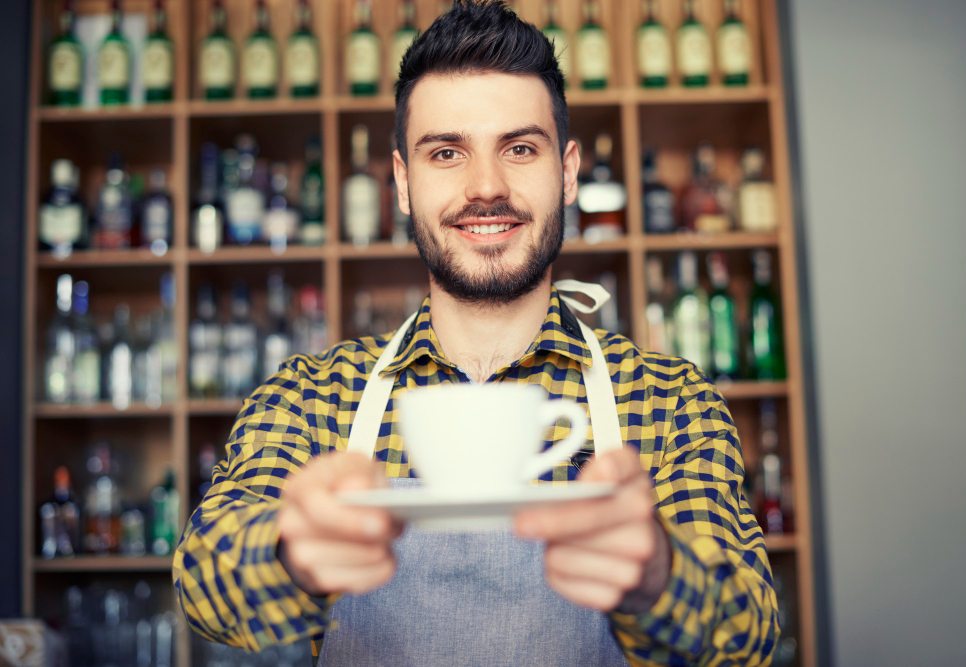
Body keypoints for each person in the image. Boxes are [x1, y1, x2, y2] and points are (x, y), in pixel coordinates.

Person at [173, 2, 778, 664]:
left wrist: (659, 575)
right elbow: (203, 582)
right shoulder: (312, 397)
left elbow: (746, 634)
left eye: (519, 148)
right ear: (403, 182)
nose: (486, 187)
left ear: (568, 172)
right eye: (446, 152)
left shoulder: (669, 402)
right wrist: (289, 553)